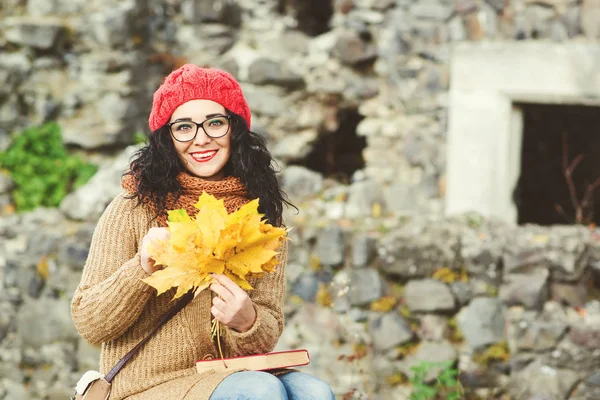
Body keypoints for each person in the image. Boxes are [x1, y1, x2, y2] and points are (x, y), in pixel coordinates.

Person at [71, 64, 336, 400]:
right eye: (184, 127)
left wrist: (247, 320)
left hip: (227, 373)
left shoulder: (261, 214)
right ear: (167, 138)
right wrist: (141, 268)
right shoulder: (135, 205)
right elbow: (90, 323)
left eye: (214, 122)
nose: (201, 138)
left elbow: (266, 331)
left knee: (316, 393)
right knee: (259, 390)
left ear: (234, 130)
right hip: (147, 384)